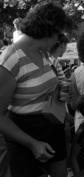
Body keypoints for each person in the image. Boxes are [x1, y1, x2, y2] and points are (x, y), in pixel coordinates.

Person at [0, 2, 74, 177]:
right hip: (24, 135)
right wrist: (32, 144)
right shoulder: (11, 59)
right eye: (59, 34)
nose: (59, 40)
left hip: (51, 126)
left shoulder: (43, 53)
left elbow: (40, 90)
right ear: (48, 30)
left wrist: (60, 94)